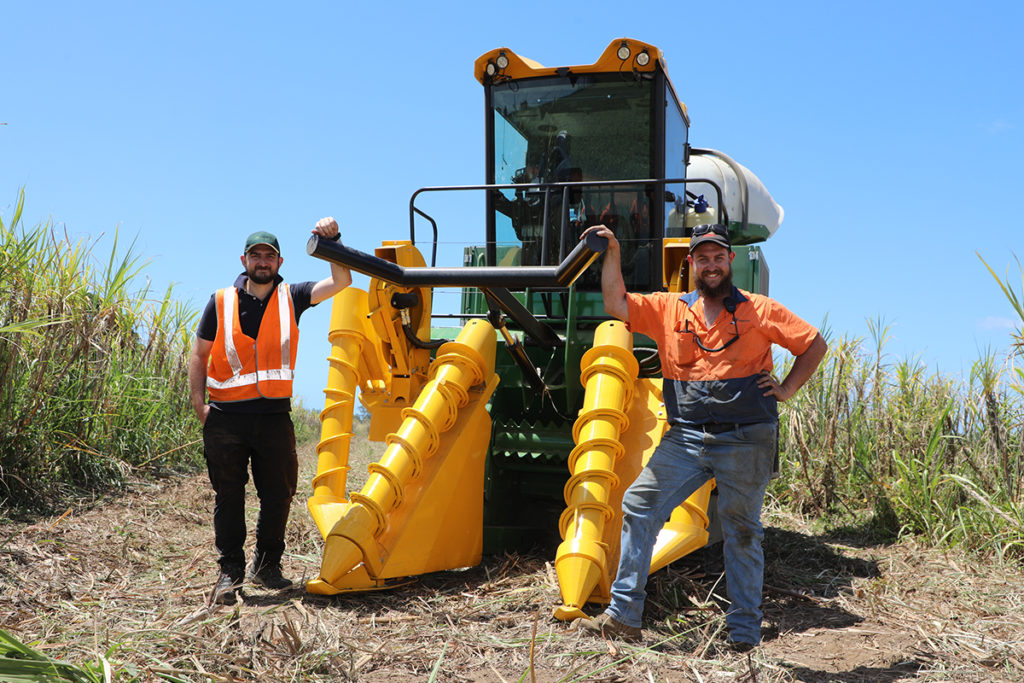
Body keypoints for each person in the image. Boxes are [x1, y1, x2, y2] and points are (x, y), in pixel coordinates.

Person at [576, 222, 827, 650]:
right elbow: (616, 303)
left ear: (730, 260)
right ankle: (623, 617)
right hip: (687, 437)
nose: (711, 265)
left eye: (718, 257)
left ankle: (744, 636)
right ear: (691, 263)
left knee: (742, 531)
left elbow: (814, 345)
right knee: (639, 505)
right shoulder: (669, 309)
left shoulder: (761, 310)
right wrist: (613, 251)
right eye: (703, 258)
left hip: (747, 438)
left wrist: (786, 389)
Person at [188, 217, 351, 605]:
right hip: (225, 417)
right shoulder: (221, 301)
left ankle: (267, 566)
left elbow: (342, 281)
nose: (262, 261)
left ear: (280, 262)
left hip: (274, 417)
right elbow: (199, 354)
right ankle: (230, 574)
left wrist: (333, 242)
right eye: (256, 255)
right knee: (229, 496)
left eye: (269, 256)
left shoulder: (293, 297)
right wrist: (199, 404)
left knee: (278, 494)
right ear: (244, 260)